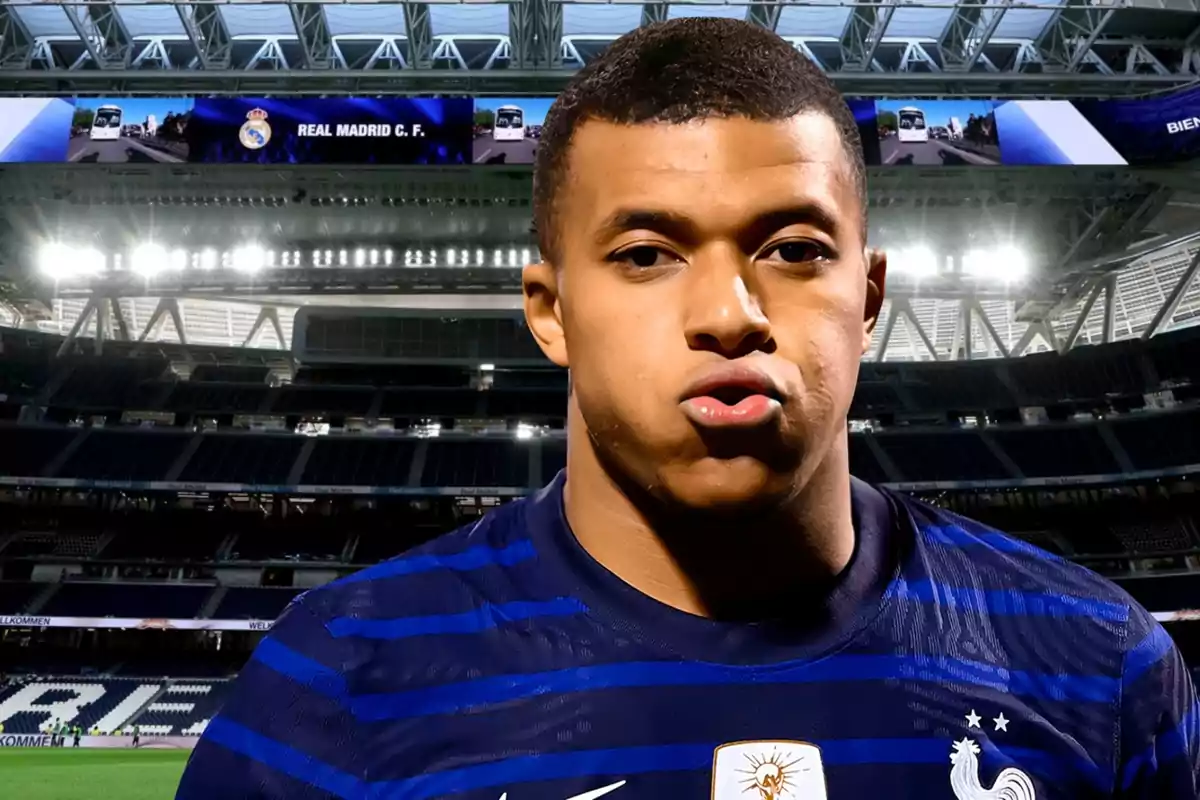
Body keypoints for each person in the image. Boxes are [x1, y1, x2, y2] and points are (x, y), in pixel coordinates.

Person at [176, 18, 1199, 800]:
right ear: (552, 313)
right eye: (645, 255)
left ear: (871, 297)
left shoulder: (1102, 663)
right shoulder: (335, 680)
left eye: (794, 248)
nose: (729, 313)